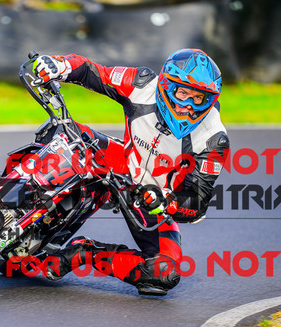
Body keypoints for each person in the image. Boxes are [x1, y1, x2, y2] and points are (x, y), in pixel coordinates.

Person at [33, 49, 229, 296]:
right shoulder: (142, 83)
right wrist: (59, 65)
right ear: (167, 86)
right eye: (183, 93)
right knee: (61, 131)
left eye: (198, 98)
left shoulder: (214, 139)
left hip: (152, 200)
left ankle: (83, 252)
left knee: (163, 273)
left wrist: (166, 201)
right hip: (119, 163)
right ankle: (11, 194)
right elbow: (92, 72)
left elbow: (197, 203)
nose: (188, 105)